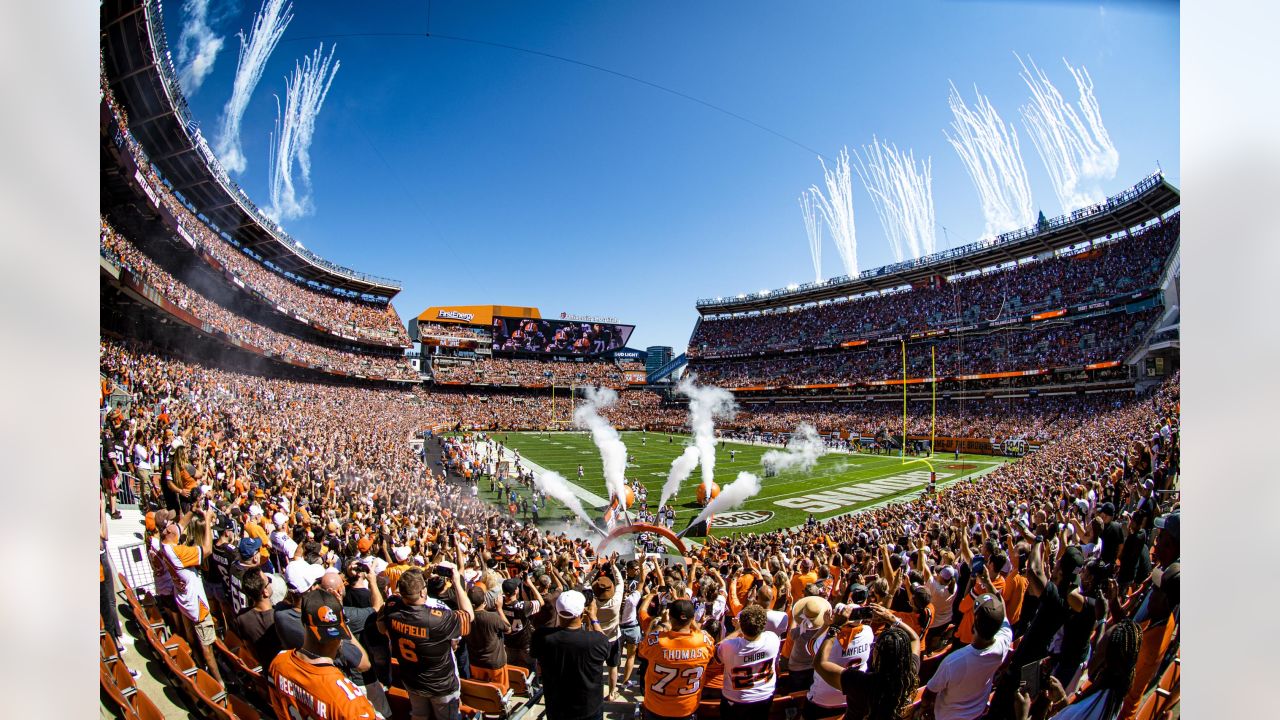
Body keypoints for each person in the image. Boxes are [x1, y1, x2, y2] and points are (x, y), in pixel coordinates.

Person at [378, 566, 475, 720]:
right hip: (440, 685)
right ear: (423, 592)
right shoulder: (438, 618)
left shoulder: (391, 607)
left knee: (419, 716)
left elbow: (381, 626)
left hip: (412, 679)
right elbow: (468, 616)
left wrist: (420, 577)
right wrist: (457, 582)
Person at [268, 589, 379, 719]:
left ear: (304, 625)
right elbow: (364, 664)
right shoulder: (349, 703)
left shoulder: (278, 662)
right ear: (342, 633)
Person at [813, 604, 920, 720]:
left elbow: (820, 664)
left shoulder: (862, 683)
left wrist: (835, 626)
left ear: (877, 655)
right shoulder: (909, 673)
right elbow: (914, 639)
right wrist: (892, 619)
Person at [160, 505, 224, 685]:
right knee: (207, 647)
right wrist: (209, 523)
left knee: (192, 638)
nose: (175, 524)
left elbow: (181, 525)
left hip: (183, 600)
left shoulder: (164, 544)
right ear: (169, 533)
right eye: (171, 524)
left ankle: (199, 667)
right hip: (197, 606)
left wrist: (193, 510)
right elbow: (207, 549)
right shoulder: (178, 552)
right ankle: (219, 682)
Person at [922, 594, 1014, 720]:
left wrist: (926, 709)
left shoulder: (953, 661)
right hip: (976, 714)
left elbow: (928, 695)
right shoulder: (1003, 643)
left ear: (973, 624)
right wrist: (989, 585)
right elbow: (1002, 615)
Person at [530, 589, 612, 720]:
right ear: (582, 612)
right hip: (589, 708)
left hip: (557, 708)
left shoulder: (540, 636)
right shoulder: (597, 640)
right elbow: (606, 646)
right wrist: (594, 618)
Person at [637, 599, 716, 720]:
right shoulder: (704, 642)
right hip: (686, 707)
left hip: (657, 706)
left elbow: (643, 649)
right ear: (692, 618)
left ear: (670, 617)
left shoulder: (658, 642)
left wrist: (663, 624)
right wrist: (693, 623)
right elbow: (706, 641)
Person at [717, 605, 781, 720]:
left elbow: (717, 650)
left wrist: (738, 630)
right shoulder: (773, 639)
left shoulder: (730, 646)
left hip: (736, 700)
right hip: (765, 696)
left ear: (742, 625)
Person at [234, 567, 284, 668]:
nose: (270, 583)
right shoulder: (280, 618)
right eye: (268, 581)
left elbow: (250, 649)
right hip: (283, 670)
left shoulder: (241, 618)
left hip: (265, 668)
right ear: (265, 592)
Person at [464, 585, 512, 690]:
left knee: (482, 693)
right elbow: (508, 629)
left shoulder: (465, 618)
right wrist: (499, 609)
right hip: (495, 664)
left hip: (475, 662)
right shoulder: (492, 617)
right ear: (484, 600)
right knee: (501, 693)